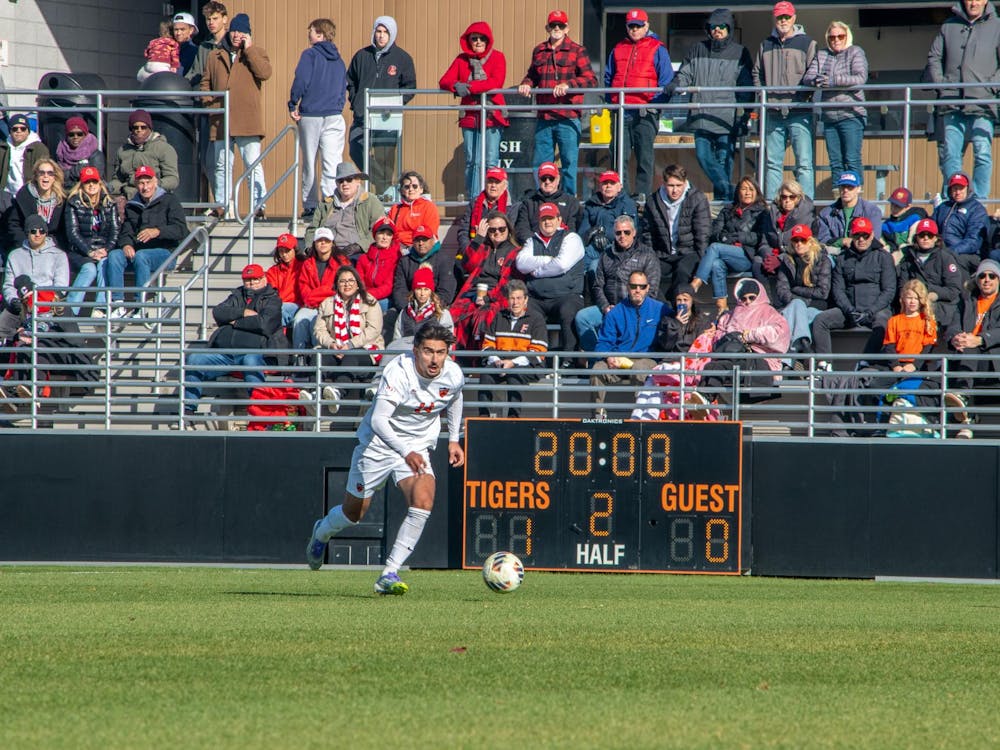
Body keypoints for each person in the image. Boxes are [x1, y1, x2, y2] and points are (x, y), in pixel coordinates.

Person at [305, 321, 466, 595]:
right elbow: (379, 421)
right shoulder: (398, 372)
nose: (435, 359)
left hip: (416, 446)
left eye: (441, 352)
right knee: (354, 513)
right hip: (379, 444)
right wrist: (405, 451)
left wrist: (453, 439)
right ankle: (321, 532)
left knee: (424, 500)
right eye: (428, 351)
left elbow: (455, 397)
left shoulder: (453, 374)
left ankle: (389, 573)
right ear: (415, 350)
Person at [666, 8, 753, 203]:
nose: (717, 30)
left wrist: (746, 114)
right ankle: (730, 193)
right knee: (703, 156)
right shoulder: (698, 49)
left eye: (722, 26)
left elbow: (746, 86)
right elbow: (686, 73)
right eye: (713, 27)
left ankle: (723, 205)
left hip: (727, 118)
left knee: (724, 162)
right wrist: (676, 83)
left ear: (729, 28)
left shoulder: (740, 52)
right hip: (700, 115)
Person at [182, 263, 282, 416]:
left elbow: (264, 324)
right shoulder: (237, 295)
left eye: (256, 279)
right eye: (248, 280)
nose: (252, 283)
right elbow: (219, 312)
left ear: (264, 278)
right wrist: (244, 312)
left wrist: (235, 321)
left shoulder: (272, 299)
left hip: (255, 352)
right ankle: (188, 409)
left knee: (251, 362)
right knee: (195, 358)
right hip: (225, 354)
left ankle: (259, 413)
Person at [516, 10, 597, 197]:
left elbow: (591, 80)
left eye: (561, 25)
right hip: (544, 117)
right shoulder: (539, 50)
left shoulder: (578, 50)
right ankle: (542, 202)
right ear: (547, 28)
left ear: (567, 28)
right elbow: (532, 75)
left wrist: (569, 85)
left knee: (569, 164)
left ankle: (568, 203)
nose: (557, 29)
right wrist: (526, 85)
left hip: (567, 117)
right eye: (553, 25)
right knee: (541, 165)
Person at [199, 12, 272, 218]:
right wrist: (210, 105)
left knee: (252, 163)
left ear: (248, 34)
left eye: (242, 32)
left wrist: (249, 50)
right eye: (234, 31)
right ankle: (223, 205)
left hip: (247, 120)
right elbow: (205, 84)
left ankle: (259, 206)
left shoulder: (256, 53)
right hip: (221, 119)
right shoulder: (215, 55)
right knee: (222, 165)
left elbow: (264, 73)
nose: (236, 35)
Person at [926, 0, 1000, 200]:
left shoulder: (997, 26)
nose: (973, 2)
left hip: (983, 103)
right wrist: (942, 85)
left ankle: (978, 202)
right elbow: (934, 57)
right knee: (951, 155)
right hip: (951, 103)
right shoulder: (948, 25)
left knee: (982, 153)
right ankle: (953, 199)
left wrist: (991, 86)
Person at [604, 8, 673, 199]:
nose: (635, 29)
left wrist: (655, 108)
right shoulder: (618, 48)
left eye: (639, 26)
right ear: (626, 27)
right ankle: (621, 196)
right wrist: (612, 103)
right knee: (619, 157)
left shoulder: (657, 48)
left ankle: (642, 196)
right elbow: (608, 78)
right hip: (621, 112)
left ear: (647, 26)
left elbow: (667, 81)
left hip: (645, 112)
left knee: (645, 158)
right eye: (631, 26)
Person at [347, 15, 417, 198]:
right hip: (363, 117)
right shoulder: (362, 55)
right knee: (355, 147)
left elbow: (410, 88)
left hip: (387, 119)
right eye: (378, 31)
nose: (381, 36)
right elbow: (350, 81)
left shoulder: (402, 58)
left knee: (385, 159)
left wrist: (394, 105)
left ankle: (383, 198)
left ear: (392, 34)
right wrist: (356, 102)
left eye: (385, 32)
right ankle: (384, 186)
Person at [753, 2, 817, 201]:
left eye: (787, 17)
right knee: (772, 163)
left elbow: (814, 74)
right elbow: (757, 74)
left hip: (800, 111)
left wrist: (805, 98)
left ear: (794, 18)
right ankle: (773, 206)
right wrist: (764, 95)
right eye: (780, 17)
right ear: (775, 18)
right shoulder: (765, 44)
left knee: (804, 163)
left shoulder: (808, 43)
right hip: (772, 111)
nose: (783, 21)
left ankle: (805, 205)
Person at [811, 217, 897, 361]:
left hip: (876, 310)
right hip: (849, 310)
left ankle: (866, 362)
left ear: (872, 236)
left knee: (882, 322)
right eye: (857, 235)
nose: (861, 239)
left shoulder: (883, 257)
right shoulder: (843, 258)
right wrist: (849, 310)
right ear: (851, 236)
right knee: (821, 320)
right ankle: (824, 365)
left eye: (865, 235)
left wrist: (871, 311)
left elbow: (889, 290)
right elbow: (838, 290)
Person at [439, 22, 509, 200]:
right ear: (468, 41)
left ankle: (493, 199)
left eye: (481, 38)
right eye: (474, 38)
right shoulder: (461, 59)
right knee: (472, 161)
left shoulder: (498, 57)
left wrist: (468, 87)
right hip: (470, 117)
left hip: (492, 116)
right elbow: (444, 80)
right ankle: (474, 200)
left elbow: (495, 82)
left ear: (488, 40)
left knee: (491, 161)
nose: (478, 42)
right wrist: (455, 85)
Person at [106, 166, 188, 317]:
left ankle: (140, 305)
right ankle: (117, 304)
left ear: (155, 182)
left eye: (148, 182)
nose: (145, 187)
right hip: (138, 253)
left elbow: (181, 230)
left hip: (165, 253)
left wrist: (157, 231)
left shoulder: (170, 201)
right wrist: (126, 244)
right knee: (115, 256)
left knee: (142, 256)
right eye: (141, 183)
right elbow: (126, 231)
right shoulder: (132, 205)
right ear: (136, 185)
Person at [288, 18, 347, 221]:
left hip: (311, 114)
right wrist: (338, 106)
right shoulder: (339, 60)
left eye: (311, 31)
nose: (309, 34)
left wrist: (293, 102)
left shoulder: (310, 55)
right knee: (332, 162)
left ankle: (311, 205)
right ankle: (331, 202)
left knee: (310, 162)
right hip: (334, 115)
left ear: (320, 34)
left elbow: (301, 80)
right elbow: (343, 87)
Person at [696, 278, 791, 402]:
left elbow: (779, 333)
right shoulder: (729, 315)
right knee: (711, 366)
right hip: (732, 355)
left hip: (758, 359)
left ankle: (705, 399)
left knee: (720, 367)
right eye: (743, 298)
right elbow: (719, 334)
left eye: (751, 297)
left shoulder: (769, 312)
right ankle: (704, 401)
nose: (747, 301)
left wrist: (748, 335)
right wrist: (730, 336)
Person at [575, 214, 659, 351]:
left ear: (634, 233)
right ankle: (595, 359)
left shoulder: (647, 254)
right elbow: (598, 286)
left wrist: (629, 309)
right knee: (582, 318)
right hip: (610, 308)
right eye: (618, 232)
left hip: (635, 310)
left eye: (627, 232)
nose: (622, 236)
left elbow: (652, 289)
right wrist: (605, 307)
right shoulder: (606, 254)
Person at [589, 270, 666, 419]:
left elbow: (678, 322)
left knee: (640, 368)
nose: (638, 290)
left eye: (642, 286)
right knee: (597, 369)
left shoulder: (660, 309)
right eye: (634, 286)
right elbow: (603, 343)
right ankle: (598, 415)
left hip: (646, 359)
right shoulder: (615, 312)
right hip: (619, 359)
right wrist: (609, 356)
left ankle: (639, 417)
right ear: (627, 287)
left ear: (648, 288)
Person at [312, 265, 385, 413]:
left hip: (364, 349)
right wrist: (331, 344)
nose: (347, 284)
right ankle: (315, 393)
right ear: (337, 285)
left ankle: (338, 391)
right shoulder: (327, 303)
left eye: (351, 280)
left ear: (357, 283)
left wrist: (350, 344)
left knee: (351, 356)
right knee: (317, 358)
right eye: (342, 281)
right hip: (335, 348)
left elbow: (374, 330)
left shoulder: (370, 302)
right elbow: (319, 330)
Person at [516, 201, 586, 354]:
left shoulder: (571, 238)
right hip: (537, 297)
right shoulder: (531, 241)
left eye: (551, 218)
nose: (547, 222)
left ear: (559, 220)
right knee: (522, 308)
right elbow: (521, 263)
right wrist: (548, 260)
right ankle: (531, 358)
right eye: (543, 219)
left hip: (566, 295)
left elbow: (561, 264)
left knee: (568, 310)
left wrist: (536, 271)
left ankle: (569, 359)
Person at [690, 176, 768, 315]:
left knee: (714, 247)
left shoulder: (762, 212)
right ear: (738, 191)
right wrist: (727, 239)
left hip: (747, 255)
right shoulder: (727, 210)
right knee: (716, 264)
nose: (747, 192)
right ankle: (722, 306)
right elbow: (715, 232)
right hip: (727, 252)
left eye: (751, 189)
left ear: (756, 191)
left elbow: (760, 236)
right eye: (744, 189)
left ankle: (696, 282)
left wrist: (739, 237)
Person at [802, 21, 868, 179]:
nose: (836, 40)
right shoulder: (822, 54)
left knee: (852, 159)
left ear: (847, 36)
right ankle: (839, 198)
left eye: (840, 36)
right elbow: (808, 77)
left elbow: (860, 78)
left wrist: (833, 81)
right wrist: (816, 81)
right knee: (835, 162)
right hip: (829, 117)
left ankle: (856, 199)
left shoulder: (855, 52)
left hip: (851, 115)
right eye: (832, 37)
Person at [450, 209, 522, 351]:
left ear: (508, 230)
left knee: (482, 317)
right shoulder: (483, 248)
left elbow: (508, 283)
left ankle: (478, 361)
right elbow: (468, 265)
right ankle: (456, 357)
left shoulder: (515, 252)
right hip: (472, 293)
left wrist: (488, 298)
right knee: (451, 315)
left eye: (502, 229)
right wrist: (478, 238)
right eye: (492, 229)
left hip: (497, 296)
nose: (497, 233)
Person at [945, 258, 1000, 438]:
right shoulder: (966, 300)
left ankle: (961, 397)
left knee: (971, 345)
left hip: (992, 360)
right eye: (982, 276)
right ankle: (963, 422)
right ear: (976, 280)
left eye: (992, 276)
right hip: (963, 356)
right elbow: (952, 325)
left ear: (998, 280)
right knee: (927, 383)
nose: (987, 279)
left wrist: (981, 339)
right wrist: (955, 338)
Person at [479, 279, 549, 418]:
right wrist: (496, 360)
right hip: (500, 362)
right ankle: (483, 417)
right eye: (512, 298)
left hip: (528, 365)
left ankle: (513, 418)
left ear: (526, 300)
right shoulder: (499, 317)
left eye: (519, 298)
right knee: (485, 373)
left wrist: (513, 363)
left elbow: (538, 352)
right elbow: (487, 345)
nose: (515, 302)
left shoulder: (536, 319)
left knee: (514, 375)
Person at [643, 164, 711, 300]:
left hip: (688, 251)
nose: (675, 190)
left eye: (679, 185)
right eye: (671, 185)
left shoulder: (697, 198)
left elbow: (703, 233)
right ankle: (664, 308)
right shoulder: (653, 201)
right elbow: (647, 234)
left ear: (685, 183)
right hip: (663, 253)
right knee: (649, 273)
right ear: (664, 184)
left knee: (682, 271)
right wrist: (649, 257)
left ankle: (677, 311)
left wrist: (702, 260)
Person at [64, 166, 119, 316]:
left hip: (102, 250)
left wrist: (105, 249)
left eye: (94, 181)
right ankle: (69, 311)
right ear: (82, 184)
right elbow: (72, 233)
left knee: (104, 264)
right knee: (89, 269)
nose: (91, 185)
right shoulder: (73, 203)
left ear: (100, 183)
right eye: (87, 182)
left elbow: (115, 231)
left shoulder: (109, 203)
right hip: (80, 251)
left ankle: (100, 308)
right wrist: (89, 251)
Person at [304, 161, 386, 257]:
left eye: (349, 179)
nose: (345, 183)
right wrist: (309, 247)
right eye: (340, 180)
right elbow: (312, 229)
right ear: (336, 183)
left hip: (358, 254)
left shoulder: (371, 201)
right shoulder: (325, 204)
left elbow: (379, 230)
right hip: (326, 253)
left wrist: (359, 246)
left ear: (358, 181)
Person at [896, 218, 964, 332]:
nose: (926, 238)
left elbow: (954, 290)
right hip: (913, 304)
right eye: (922, 235)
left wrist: (932, 294)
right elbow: (902, 286)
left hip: (940, 305)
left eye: (930, 235)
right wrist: (915, 297)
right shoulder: (908, 258)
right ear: (916, 237)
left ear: (936, 238)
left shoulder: (946, 258)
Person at [773, 225, 832, 355]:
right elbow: (782, 290)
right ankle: (804, 346)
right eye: (795, 240)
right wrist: (799, 303)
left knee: (794, 318)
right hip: (794, 306)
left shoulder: (822, 260)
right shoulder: (787, 260)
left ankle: (789, 359)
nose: (799, 244)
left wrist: (796, 290)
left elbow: (823, 292)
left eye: (803, 240)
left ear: (810, 242)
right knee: (796, 309)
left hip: (817, 307)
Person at [292, 227, 351, 349]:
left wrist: (319, 296)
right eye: (320, 240)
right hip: (312, 305)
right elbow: (304, 289)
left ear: (332, 244)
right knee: (299, 319)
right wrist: (319, 297)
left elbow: (341, 289)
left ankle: (318, 358)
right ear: (314, 243)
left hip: (335, 305)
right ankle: (299, 356)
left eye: (326, 240)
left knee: (317, 322)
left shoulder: (342, 263)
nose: (323, 243)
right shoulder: (307, 264)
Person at [577, 170, 640, 280]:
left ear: (619, 187)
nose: (608, 186)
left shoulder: (627, 204)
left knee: (594, 267)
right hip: (593, 248)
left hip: (617, 249)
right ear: (600, 186)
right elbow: (582, 234)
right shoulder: (591, 204)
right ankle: (580, 295)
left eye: (612, 183)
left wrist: (604, 233)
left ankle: (595, 296)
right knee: (576, 268)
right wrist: (593, 233)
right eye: (605, 183)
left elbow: (628, 233)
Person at [108, 110, 180, 204]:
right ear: (131, 129)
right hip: (128, 198)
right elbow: (117, 179)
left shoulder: (164, 149)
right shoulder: (122, 150)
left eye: (143, 127)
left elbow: (173, 179)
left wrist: (153, 185)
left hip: (155, 199)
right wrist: (108, 188)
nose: (139, 130)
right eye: (135, 127)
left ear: (150, 128)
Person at [755, 179, 816, 287]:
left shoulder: (807, 215)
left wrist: (781, 258)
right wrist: (769, 257)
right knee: (757, 262)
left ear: (798, 198)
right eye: (784, 197)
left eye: (792, 197)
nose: (787, 200)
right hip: (774, 254)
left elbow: (806, 245)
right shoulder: (772, 214)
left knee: (790, 263)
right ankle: (765, 299)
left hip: (796, 256)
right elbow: (764, 242)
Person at [931, 171, 989, 275]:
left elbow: (973, 241)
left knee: (953, 261)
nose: (958, 192)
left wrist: (950, 252)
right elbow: (932, 228)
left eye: (961, 188)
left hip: (968, 254)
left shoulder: (977, 209)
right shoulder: (943, 207)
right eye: (954, 188)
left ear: (968, 189)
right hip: (942, 251)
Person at [3, 214, 69, 303]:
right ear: (27, 233)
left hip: (49, 303)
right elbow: (9, 285)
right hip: (22, 303)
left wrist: (47, 300)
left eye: (42, 231)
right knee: (4, 317)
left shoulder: (59, 255)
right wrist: (13, 300)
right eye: (33, 231)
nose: (38, 234)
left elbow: (61, 287)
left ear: (46, 233)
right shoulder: (14, 256)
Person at [816, 170, 883, 256]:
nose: (845, 190)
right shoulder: (826, 213)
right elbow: (822, 240)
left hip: (864, 255)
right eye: (843, 187)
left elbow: (874, 239)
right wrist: (842, 241)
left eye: (850, 187)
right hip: (834, 256)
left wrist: (853, 242)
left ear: (859, 189)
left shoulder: (872, 211)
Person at [456, 167, 516, 261]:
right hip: (475, 249)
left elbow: (512, 236)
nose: (493, 185)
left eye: (497, 182)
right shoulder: (474, 203)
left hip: (501, 254)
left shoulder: (512, 207)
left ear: (505, 186)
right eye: (490, 181)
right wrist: (469, 251)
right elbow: (463, 231)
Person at [514, 162, 581, 245]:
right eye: (543, 178)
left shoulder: (571, 202)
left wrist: (553, 245)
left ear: (558, 179)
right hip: (534, 247)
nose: (547, 182)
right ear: (538, 179)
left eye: (551, 178)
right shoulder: (529, 202)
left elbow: (572, 229)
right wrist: (538, 244)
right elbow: (521, 229)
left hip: (562, 247)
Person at [392, 265, 454, 354]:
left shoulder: (441, 313)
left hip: (432, 357)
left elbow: (448, 340)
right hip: (407, 355)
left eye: (426, 289)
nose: (422, 293)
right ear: (413, 291)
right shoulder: (405, 312)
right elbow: (397, 338)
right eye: (418, 289)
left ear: (431, 291)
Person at [6, 158, 66, 251]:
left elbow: (64, 230)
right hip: (27, 245)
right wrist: (25, 244)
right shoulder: (24, 196)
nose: (46, 176)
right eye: (42, 173)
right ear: (36, 176)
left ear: (54, 177)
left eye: (50, 173)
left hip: (53, 246)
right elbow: (14, 225)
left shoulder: (61, 200)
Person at [392, 225, 458, 309]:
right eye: (417, 240)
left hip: (437, 308)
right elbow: (399, 290)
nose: (421, 243)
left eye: (425, 239)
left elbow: (446, 292)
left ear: (433, 241)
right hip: (409, 308)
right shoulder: (405, 261)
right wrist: (408, 309)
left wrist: (428, 309)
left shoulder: (444, 260)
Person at [1, 114, 50, 206]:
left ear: (28, 131)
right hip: (7, 193)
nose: (19, 131)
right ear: (10, 131)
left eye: (23, 129)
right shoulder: (3, 147)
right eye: (15, 129)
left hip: (29, 194)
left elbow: (44, 173)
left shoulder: (39, 148)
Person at [356, 216, 402, 312]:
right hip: (364, 296)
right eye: (381, 233)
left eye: (388, 234)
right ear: (375, 235)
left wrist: (367, 296)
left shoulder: (397, 258)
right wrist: (363, 295)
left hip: (386, 298)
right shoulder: (364, 258)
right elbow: (359, 281)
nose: (384, 237)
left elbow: (388, 286)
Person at [388, 171, 440, 249]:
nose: (411, 189)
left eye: (415, 186)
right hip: (397, 248)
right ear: (402, 190)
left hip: (420, 247)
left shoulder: (429, 207)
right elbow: (388, 232)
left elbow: (430, 233)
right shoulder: (395, 209)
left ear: (421, 189)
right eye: (407, 187)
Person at [657, 283, 715, 353]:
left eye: (685, 300)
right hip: (672, 358)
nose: (682, 303)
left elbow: (702, 345)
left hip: (694, 358)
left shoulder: (702, 320)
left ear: (692, 300)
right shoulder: (667, 320)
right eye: (679, 300)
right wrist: (675, 324)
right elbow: (666, 345)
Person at [54, 117, 105, 191]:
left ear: (85, 135)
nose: (75, 137)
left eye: (79, 134)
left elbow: (94, 180)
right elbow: (59, 177)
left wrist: (69, 174)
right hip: (65, 191)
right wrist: (76, 171)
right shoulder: (61, 152)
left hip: (88, 192)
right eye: (71, 134)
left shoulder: (95, 155)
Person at [186, 2, 228, 86]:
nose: (211, 22)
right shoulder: (203, 47)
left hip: (228, 94)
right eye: (208, 19)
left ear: (224, 19)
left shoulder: (232, 44)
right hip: (207, 94)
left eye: (215, 18)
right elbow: (195, 73)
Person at [265, 233, 302, 327]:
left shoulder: (304, 267)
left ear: (295, 249)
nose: (284, 254)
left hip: (298, 306)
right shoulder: (273, 271)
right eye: (281, 251)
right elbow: (271, 293)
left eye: (287, 250)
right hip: (279, 306)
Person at [882, 187, 928, 256]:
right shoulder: (885, 225)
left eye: (898, 206)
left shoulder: (915, 219)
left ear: (908, 207)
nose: (893, 208)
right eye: (892, 204)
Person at [172, 12, 200, 77]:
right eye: (176, 29)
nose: (178, 33)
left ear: (191, 30)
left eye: (182, 29)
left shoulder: (196, 52)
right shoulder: (169, 49)